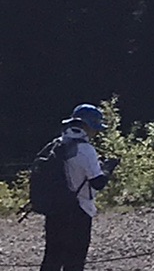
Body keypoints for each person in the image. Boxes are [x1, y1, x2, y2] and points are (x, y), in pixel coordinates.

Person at [42, 104, 116, 271]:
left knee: (52, 257)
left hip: (54, 209)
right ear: (87, 126)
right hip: (78, 210)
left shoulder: (56, 144)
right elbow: (98, 182)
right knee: (75, 260)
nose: (96, 132)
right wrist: (108, 168)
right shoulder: (85, 149)